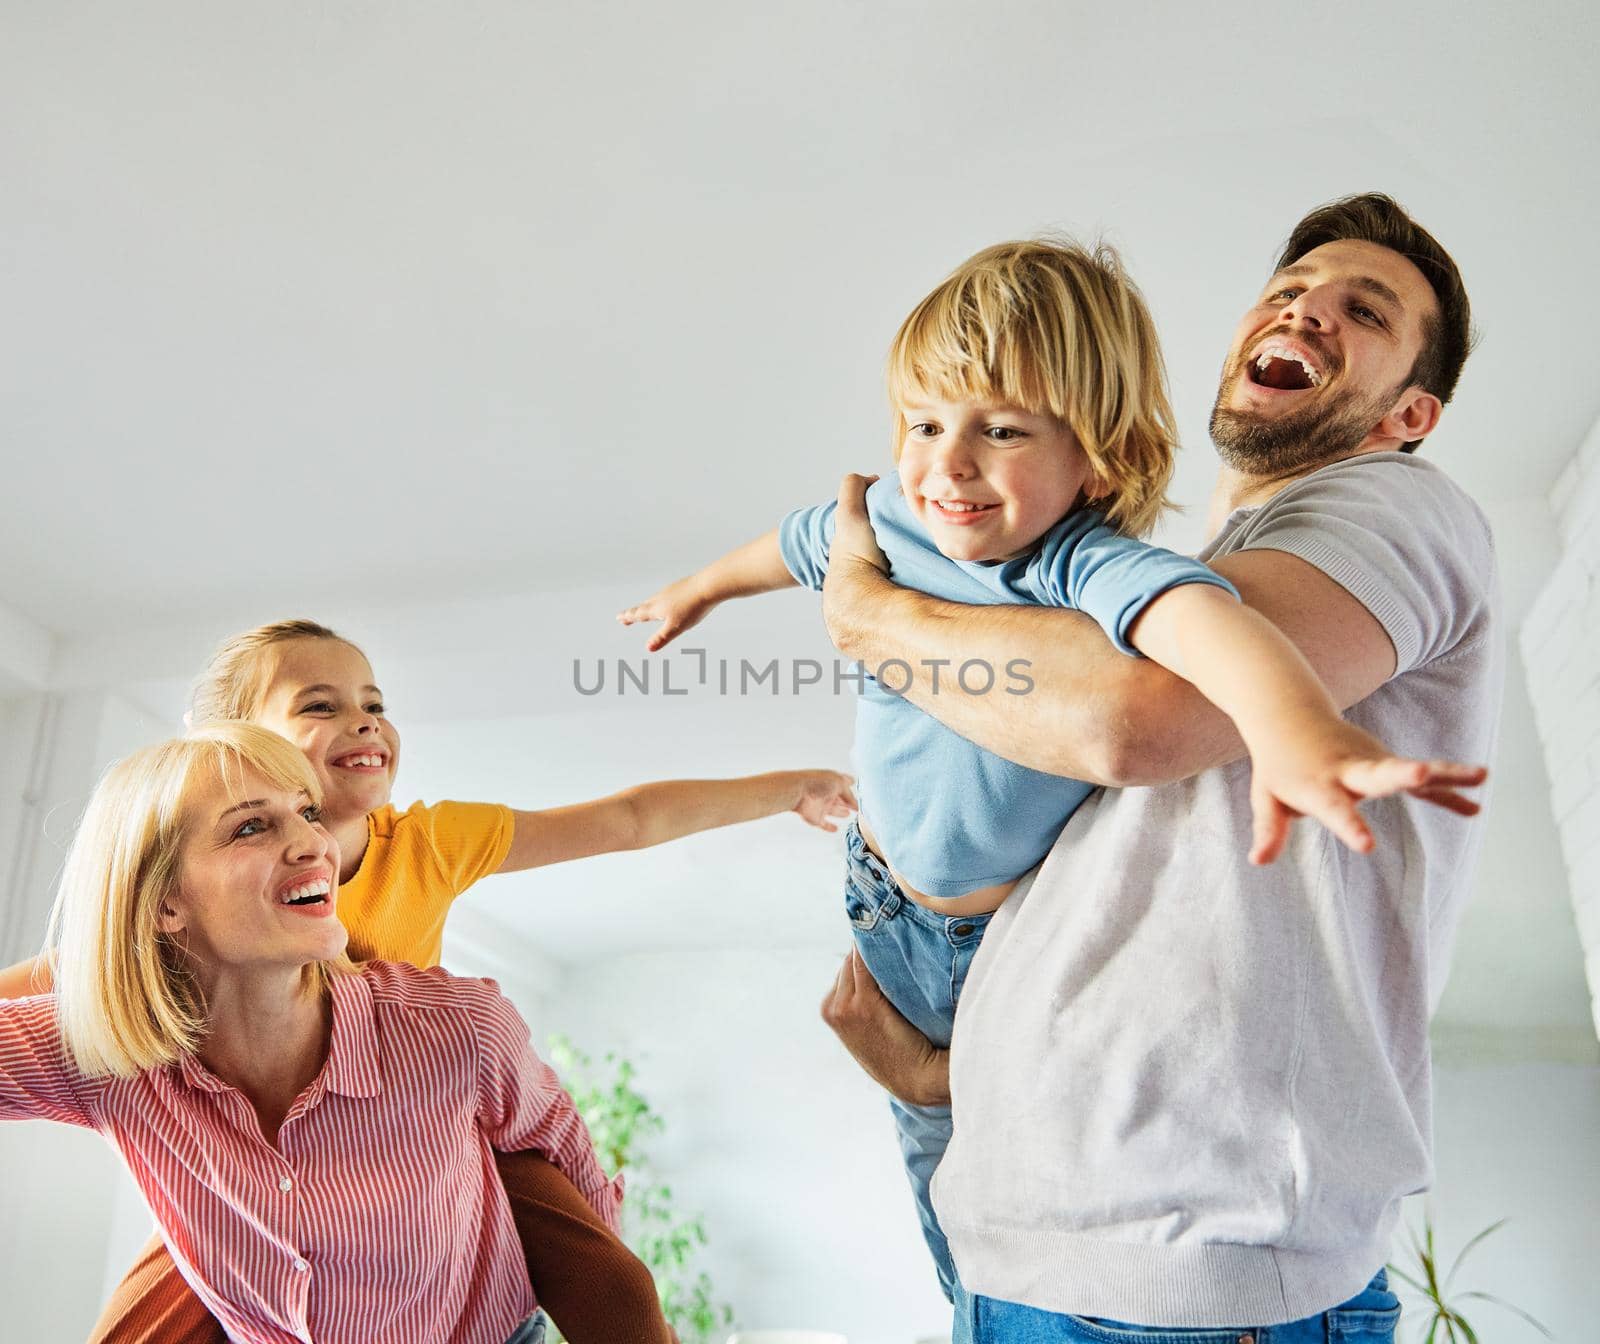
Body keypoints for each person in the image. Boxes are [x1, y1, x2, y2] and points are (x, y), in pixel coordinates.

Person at [619, 238, 1482, 1301]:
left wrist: (1296, 725)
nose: (946, 460)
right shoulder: (891, 517)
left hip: (1177, 1241)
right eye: (1289, 291)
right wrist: (692, 593)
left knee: (938, 1168)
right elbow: (789, 543)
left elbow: (1169, 681)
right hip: (894, 913)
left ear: (1408, 416)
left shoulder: (1110, 561)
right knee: (937, 1183)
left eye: (1364, 310)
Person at [0, 617, 855, 1344]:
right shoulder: (174, 933)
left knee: (602, 1272)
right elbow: (82, 979)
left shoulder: (428, 850)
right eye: (320, 706)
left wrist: (788, 789)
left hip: (442, 1119)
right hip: (261, 1161)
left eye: (375, 704)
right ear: (229, 740)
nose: (365, 723)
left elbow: (626, 820)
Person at [0, 721, 619, 1343]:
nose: (315, 845)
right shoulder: (103, 1049)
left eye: (309, 812)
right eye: (251, 826)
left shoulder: (457, 1029)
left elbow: (580, 1195)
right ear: (164, 903)